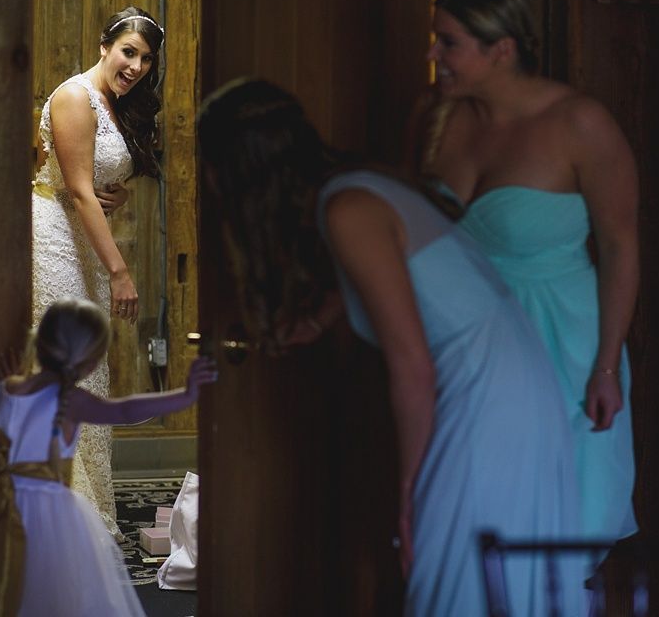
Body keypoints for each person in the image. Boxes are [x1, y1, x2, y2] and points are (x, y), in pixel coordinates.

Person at [199, 78, 584, 615]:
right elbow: (407, 276)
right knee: (476, 578)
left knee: (452, 575)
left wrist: (411, 492)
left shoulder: (347, 210)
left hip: (485, 400)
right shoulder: (359, 189)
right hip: (512, 385)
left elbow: (412, 366)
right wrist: (316, 319)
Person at [415, 0, 638, 543]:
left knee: (554, 531)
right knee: (467, 525)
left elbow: (620, 245)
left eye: (449, 42)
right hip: (465, 342)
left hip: (561, 341)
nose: (433, 56)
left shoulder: (579, 123)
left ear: (502, 49)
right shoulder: (434, 118)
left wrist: (606, 365)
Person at [0, 297, 216, 617]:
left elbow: (6, 432)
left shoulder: (4, 389)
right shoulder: (69, 399)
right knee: (50, 591)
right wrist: (185, 395)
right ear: (90, 362)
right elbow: (126, 409)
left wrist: (16, 375)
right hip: (48, 511)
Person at [31, 6, 164, 539]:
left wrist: (124, 191)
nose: (135, 67)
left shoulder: (116, 103)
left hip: (81, 235)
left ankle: (84, 506)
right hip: (51, 235)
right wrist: (120, 273)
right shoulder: (73, 97)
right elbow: (79, 191)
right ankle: (56, 508)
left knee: (89, 367)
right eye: (129, 52)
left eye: (146, 60)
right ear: (105, 45)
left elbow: (96, 181)